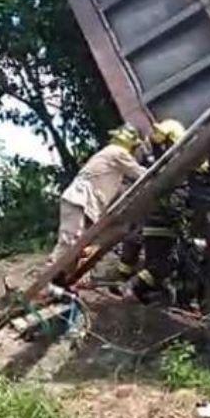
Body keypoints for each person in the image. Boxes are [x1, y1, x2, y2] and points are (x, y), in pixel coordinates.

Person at [48, 123, 146, 272]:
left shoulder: (113, 164)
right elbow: (140, 173)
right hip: (79, 199)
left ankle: (60, 281)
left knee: (78, 246)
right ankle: (46, 280)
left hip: (87, 204)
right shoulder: (118, 153)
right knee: (70, 242)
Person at [118, 119, 189, 302]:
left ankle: (137, 291)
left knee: (156, 265)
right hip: (161, 223)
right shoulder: (171, 168)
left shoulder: (156, 162)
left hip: (153, 221)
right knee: (159, 266)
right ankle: (131, 288)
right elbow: (174, 202)